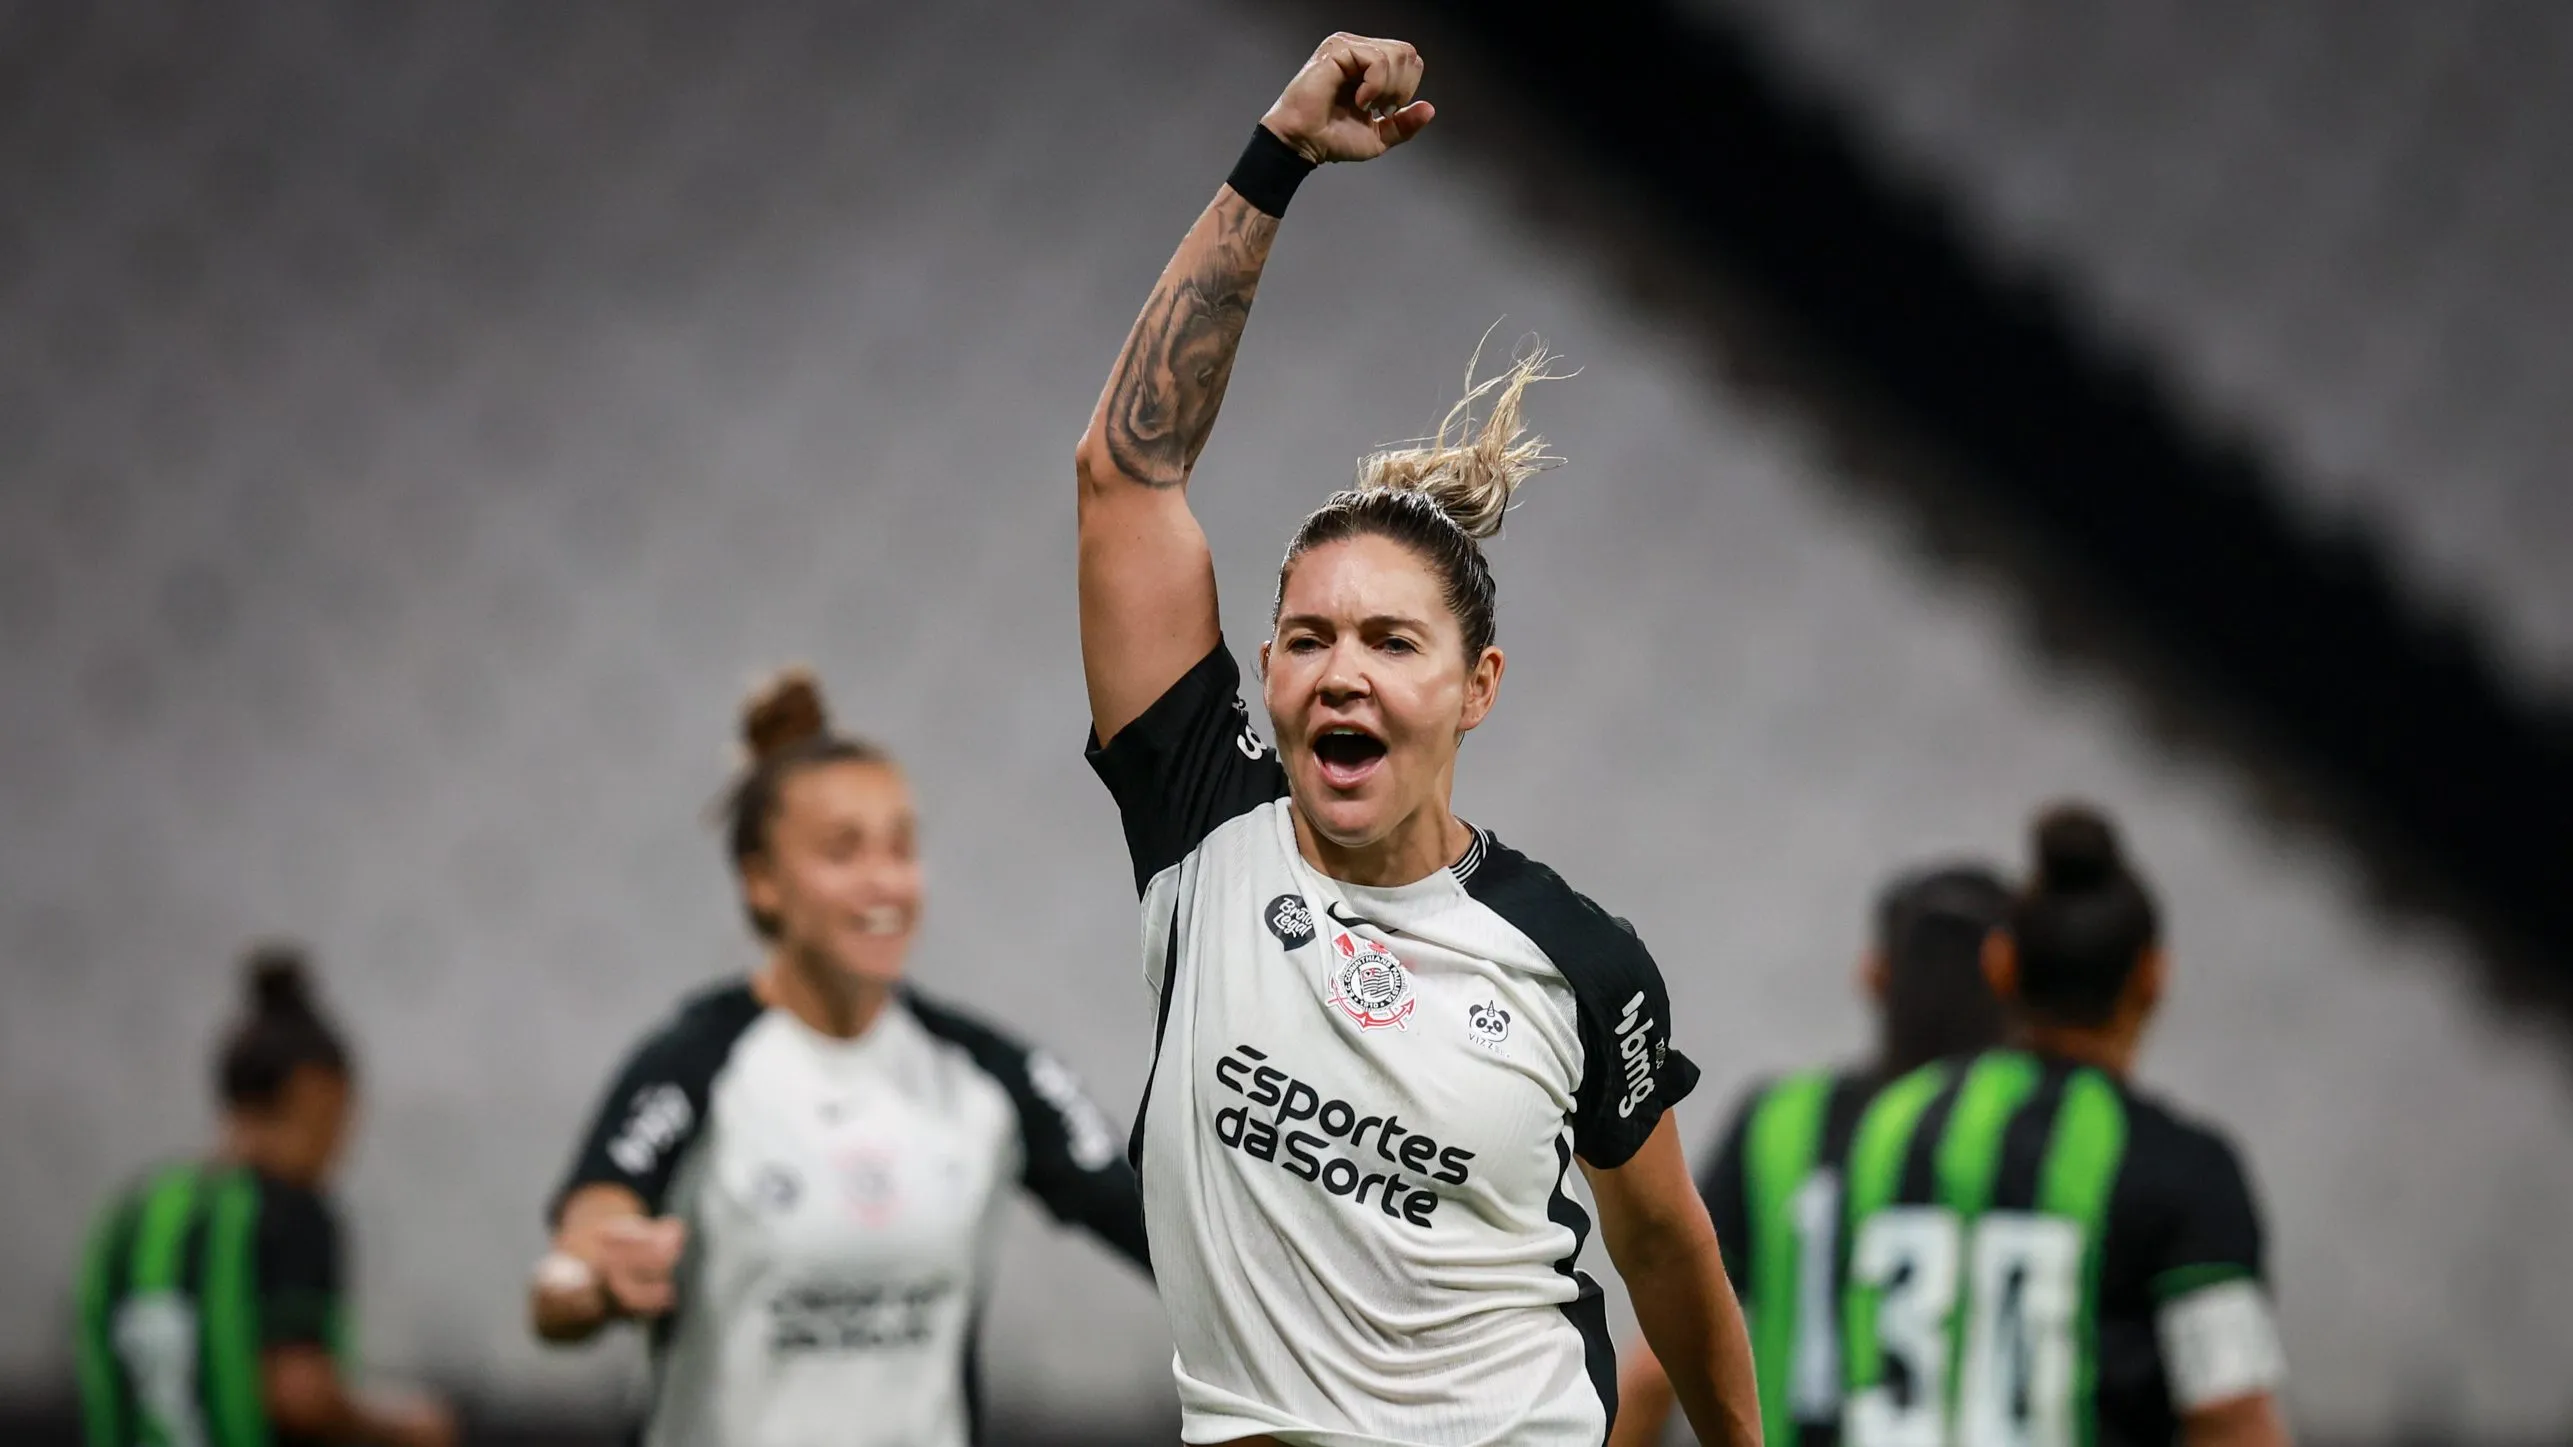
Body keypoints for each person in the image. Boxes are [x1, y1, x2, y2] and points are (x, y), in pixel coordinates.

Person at [1071, 32, 1760, 1447]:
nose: (1343, 674)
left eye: (1393, 643)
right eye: (1311, 637)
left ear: (1476, 684)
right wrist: (1277, 159)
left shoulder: (1580, 960)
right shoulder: (1207, 818)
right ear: (1261, 669)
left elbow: (1665, 1247)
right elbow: (1126, 476)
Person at [528, 670, 1150, 1447]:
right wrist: (591, 1283)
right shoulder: (692, 1061)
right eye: (842, 851)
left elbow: (1164, 1232)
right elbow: (581, 1249)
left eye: (901, 847)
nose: (884, 882)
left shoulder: (988, 1073)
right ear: (762, 882)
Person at [1838, 806, 2291, 1447]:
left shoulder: (1892, 1126)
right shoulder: (2186, 1170)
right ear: (2154, 977)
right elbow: (2231, 1418)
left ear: (2000, 965)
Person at [1610, 863, 2013, 1447]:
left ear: (1873, 975)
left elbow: (1657, 1371)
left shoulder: (1782, 1123)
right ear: (2013, 983)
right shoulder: (2038, 1141)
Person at [72, 948, 456, 1447]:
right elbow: (299, 1394)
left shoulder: (132, 1214)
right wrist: (405, 1428)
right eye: (343, 1118)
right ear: (315, 1096)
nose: (343, 1146)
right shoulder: (288, 1211)